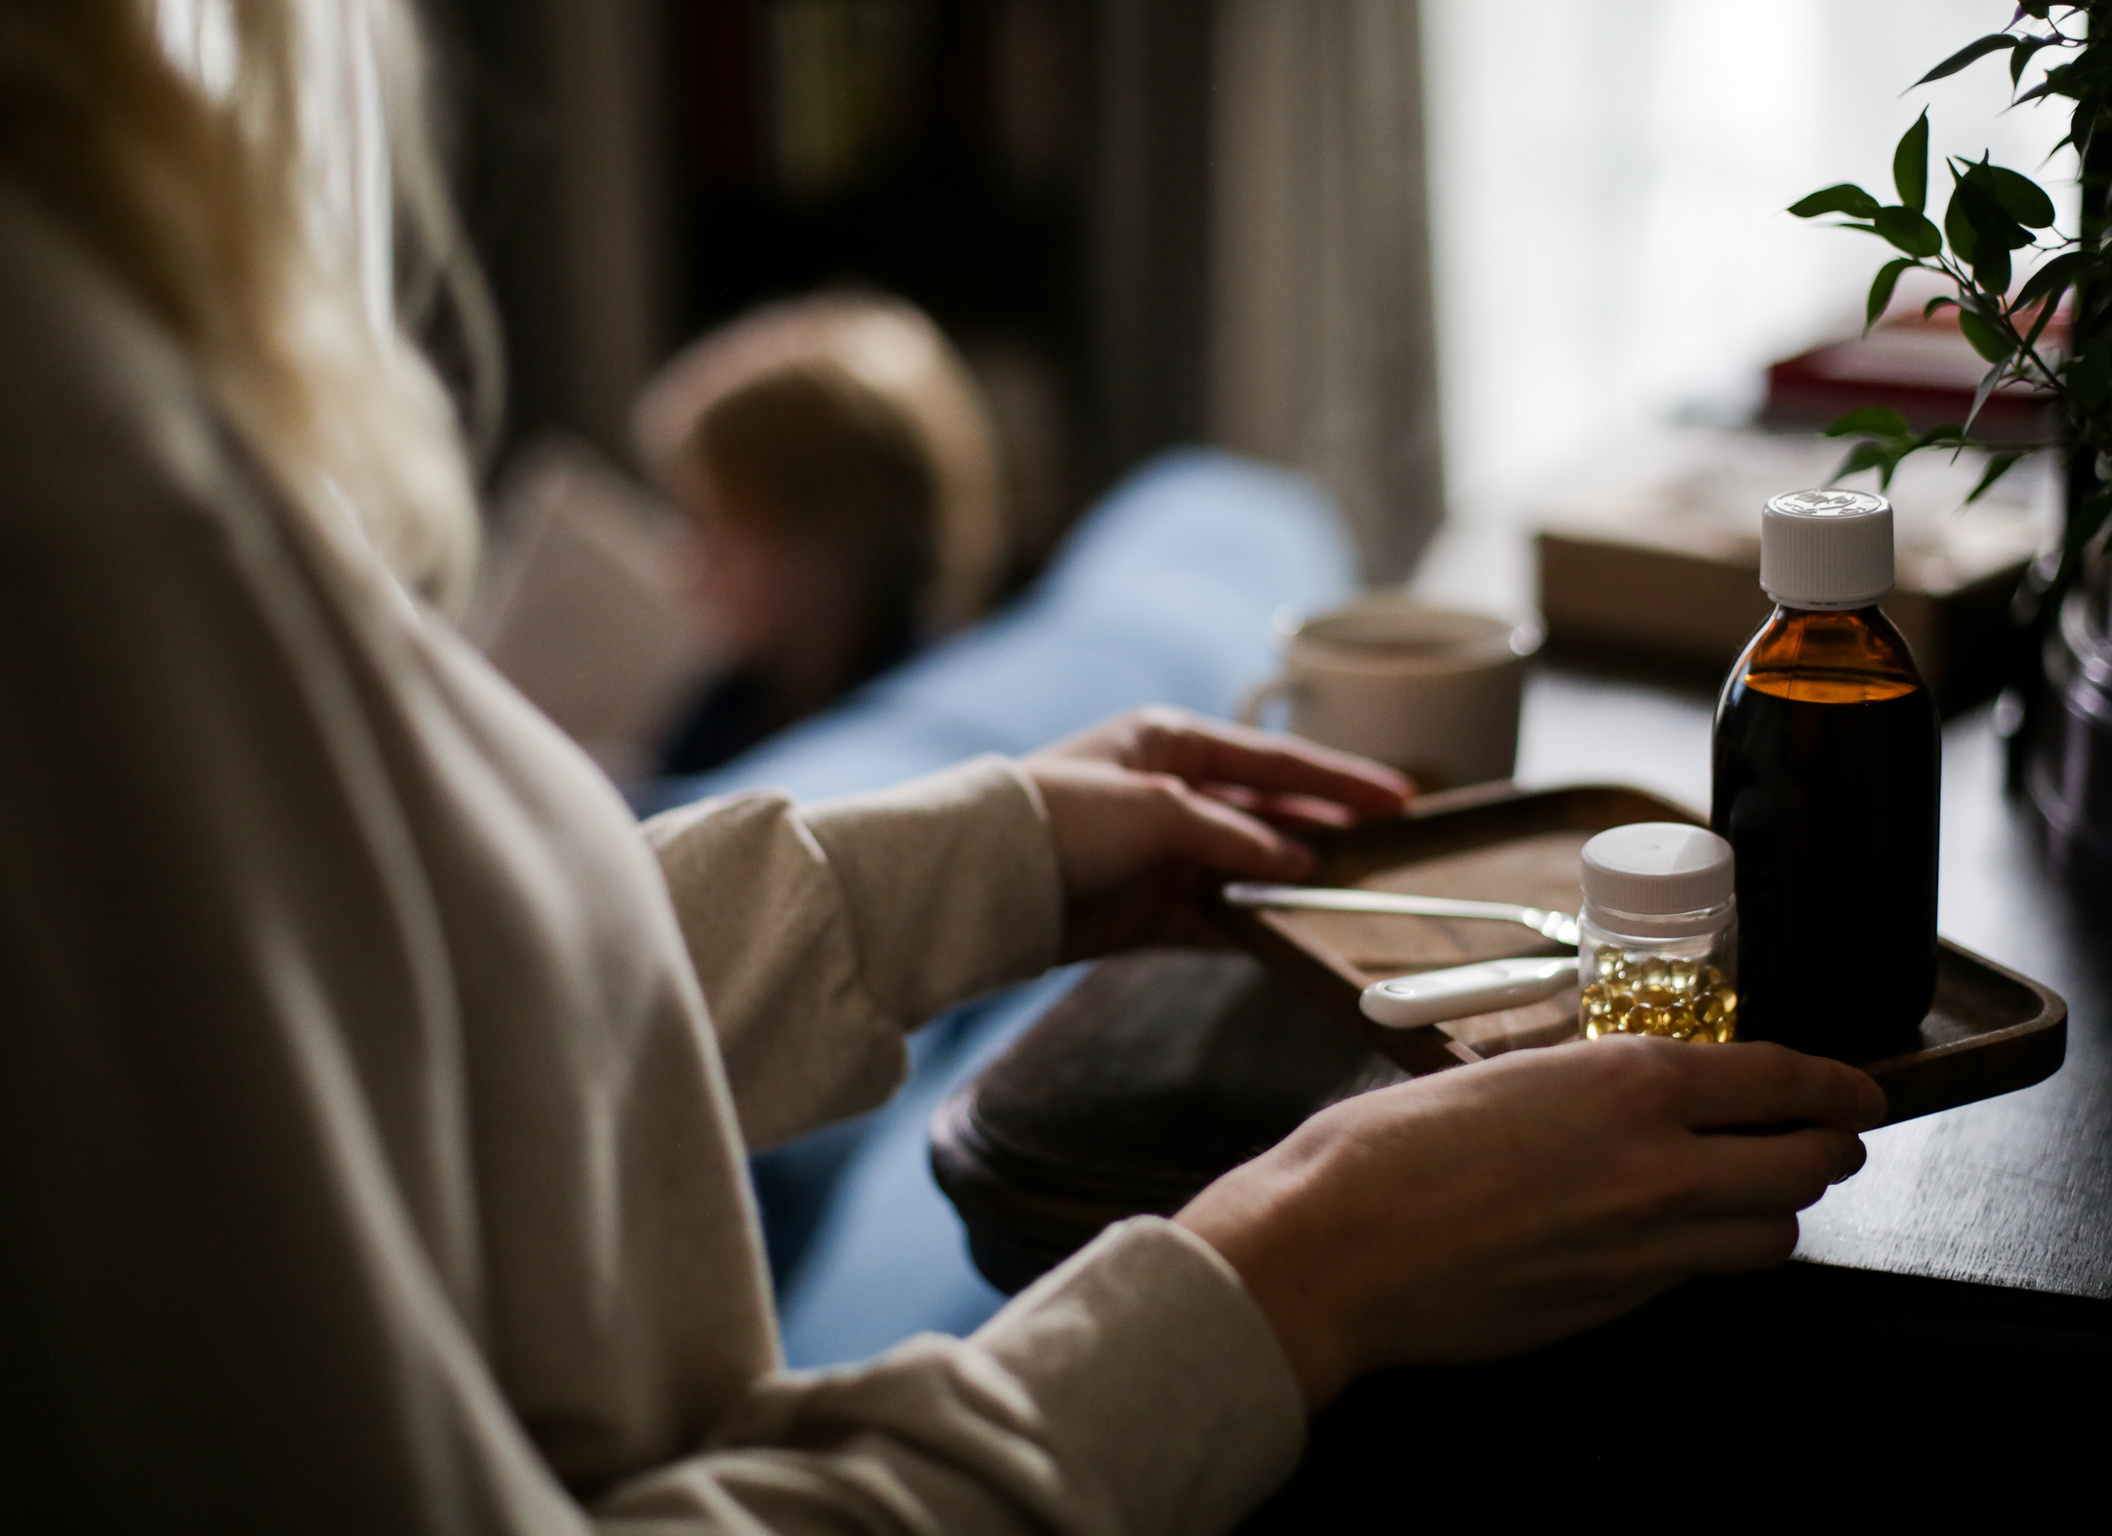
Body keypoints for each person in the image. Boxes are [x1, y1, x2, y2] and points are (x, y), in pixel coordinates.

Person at [0, 4, 1885, 1531]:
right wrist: (1295, 1269)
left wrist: (989, 858)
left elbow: (359, 1002)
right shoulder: (67, 475)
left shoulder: (90, 307)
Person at [631, 291, 1010, 776]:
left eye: (718, 529)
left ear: (835, 535)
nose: (689, 568)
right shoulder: (730, 706)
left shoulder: (930, 723)